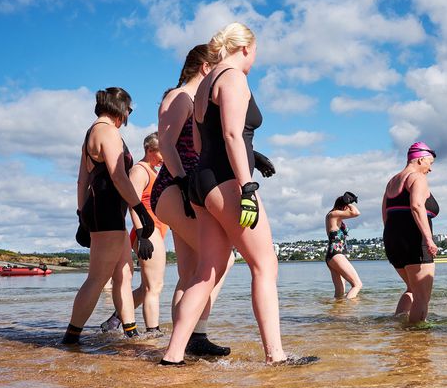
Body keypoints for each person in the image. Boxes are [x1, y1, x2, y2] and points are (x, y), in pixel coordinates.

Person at [161, 22, 315, 366]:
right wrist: (247, 186)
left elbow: (201, 143)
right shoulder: (232, 77)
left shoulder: (203, 87)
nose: (254, 60)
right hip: (227, 181)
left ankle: (172, 355)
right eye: (256, 53)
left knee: (206, 271)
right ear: (245, 48)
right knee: (264, 265)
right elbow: (232, 135)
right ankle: (275, 355)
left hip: (202, 182)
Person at [137, 44, 231, 356]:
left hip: (183, 190)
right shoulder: (180, 97)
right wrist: (182, 182)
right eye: (216, 67)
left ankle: (185, 340)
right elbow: (166, 142)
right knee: (221, 258)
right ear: (205, 67)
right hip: (176, 190)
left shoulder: (190, 98)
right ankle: (194, 337)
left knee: (191, 274)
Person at [64, 87, 155, 344]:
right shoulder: (108, 131)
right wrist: (139, 208)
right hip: (107, 212)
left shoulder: (91, 133)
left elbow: (82, 180)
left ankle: (130, 333)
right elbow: (118, 175)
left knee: (124, 274)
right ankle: (71, 338)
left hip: (101, 210)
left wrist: (82, 214)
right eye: (129, 110)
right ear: (119, 108)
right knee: (97, 278)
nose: (128, 115)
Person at [100, 133, 169, 335]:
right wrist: (142, 235)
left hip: (155, 229)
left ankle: (115, 319)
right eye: (161, 150)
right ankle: (153, 332)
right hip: (147, 230)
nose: (165, 153)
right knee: (154, 287)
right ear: (150, 150)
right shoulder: (139, 171)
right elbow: (133, 203)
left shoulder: (153, 170)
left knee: (147, 286)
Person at [382, 141, 439, 324]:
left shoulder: (392, 181)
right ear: (421, 159)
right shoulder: (417, 177)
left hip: (393, 241)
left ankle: (399, 328)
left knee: (412, 289)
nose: (430, 169)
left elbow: (385, 214)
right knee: (422, 298)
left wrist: (393, 238)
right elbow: (416, 205)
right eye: (430, 163)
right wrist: (428, 239)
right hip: (414, 240)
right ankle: (416, 343)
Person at [324, 192, 363, 299]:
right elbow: (356, 212)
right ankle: (350, 311)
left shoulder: (335, 217)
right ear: (344, 206)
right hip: (336, 255)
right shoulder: (333, 214)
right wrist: (349, 202)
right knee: (357, 284)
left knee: (340, 291)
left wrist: (347, 203)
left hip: (332, 255)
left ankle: (338, 313)